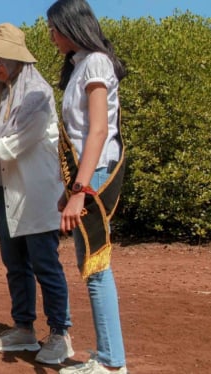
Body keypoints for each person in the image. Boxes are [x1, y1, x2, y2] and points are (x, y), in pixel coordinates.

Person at [0, 22, 74, 365]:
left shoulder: (39, 92)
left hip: (37, 190)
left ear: (15, 58)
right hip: (6, 189)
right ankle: (24, 327)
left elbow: (20, 139)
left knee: (44, 263)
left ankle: (60, 333)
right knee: (14, 263)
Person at [47, 0, 129, 373]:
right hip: (86, 174)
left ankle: (112, 363)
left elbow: (98, 130)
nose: (50, 35)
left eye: (53, 27)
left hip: (93, 175)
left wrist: (80, 190)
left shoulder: (95, 61)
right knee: (91, 265)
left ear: (70, 26)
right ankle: (108, 358)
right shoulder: (81, 64)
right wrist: (72, 187)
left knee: (96, 267)